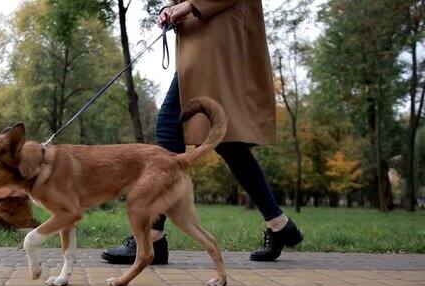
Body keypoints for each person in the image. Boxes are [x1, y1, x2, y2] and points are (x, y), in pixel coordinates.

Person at [101, 0, 303, 264]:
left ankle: (153, 237)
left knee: (170, 124)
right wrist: (171, 8)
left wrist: (191, 5)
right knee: (224, 139)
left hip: (218, 31)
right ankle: (279, 224)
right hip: (207, 31)